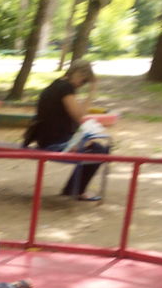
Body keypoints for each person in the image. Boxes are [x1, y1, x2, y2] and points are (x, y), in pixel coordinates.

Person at [28, 59, 110, 201]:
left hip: (46, 138)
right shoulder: (66, 88)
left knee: (94, 146)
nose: (82, 85)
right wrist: (92, 91)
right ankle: (75, 190)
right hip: (55, 142)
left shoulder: (56, 84)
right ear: (78, 74)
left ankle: (73, 189)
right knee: (99, 150)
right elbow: (79, 116)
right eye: (83, 81)